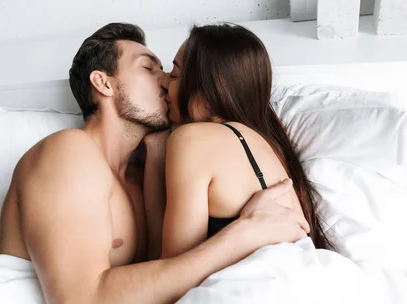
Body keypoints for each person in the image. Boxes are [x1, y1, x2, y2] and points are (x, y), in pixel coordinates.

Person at [0, 23, 311, 304]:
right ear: (104, 83)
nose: (165, 80)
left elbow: (158, 284)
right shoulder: (67, 152)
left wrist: (157, 156)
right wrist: (243, 234)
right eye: (149, 67)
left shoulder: (137, 179)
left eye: (166, 71)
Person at [143, 23, 336, 261]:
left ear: (209, 86)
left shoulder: (191, 139)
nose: (163, 82)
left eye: (174, 75)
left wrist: (155, 154)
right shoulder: (269, 143)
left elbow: (170, 268)